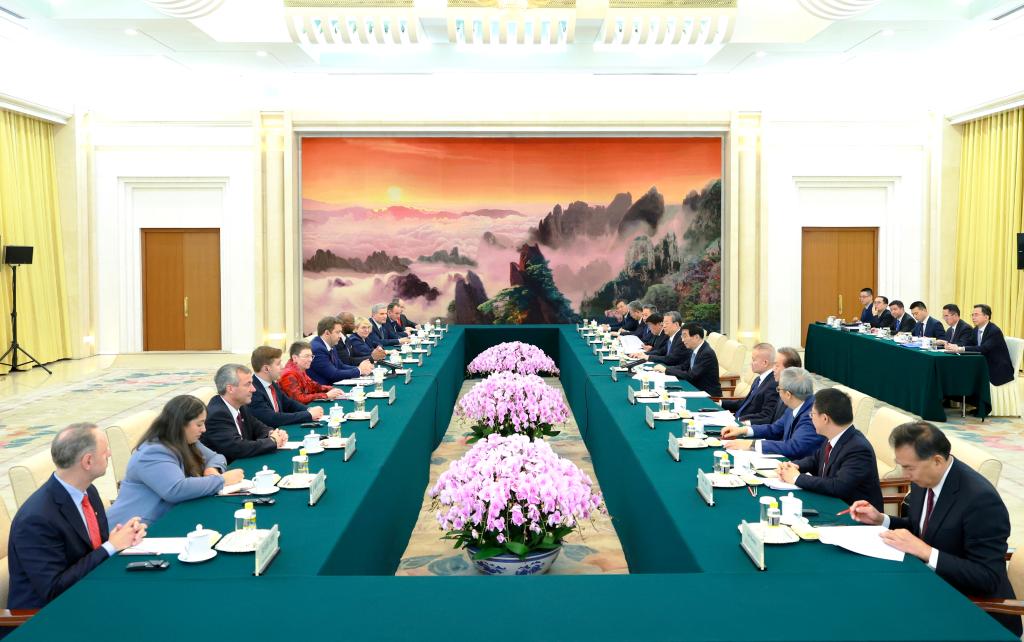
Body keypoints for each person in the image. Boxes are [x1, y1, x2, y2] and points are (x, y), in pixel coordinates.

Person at [847, 422, 1021, 636]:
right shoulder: (924, 478)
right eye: (901, 466)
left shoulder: (981, 500)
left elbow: (987, 577)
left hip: (974, 610)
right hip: (930, 585)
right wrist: (881, 519)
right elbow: (922, 527)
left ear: (937, 461)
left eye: (909, 467)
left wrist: (926, 552)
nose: (905, 474)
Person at [7, 424, 147, 609]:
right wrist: (110, 546)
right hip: (47, 615)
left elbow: (93, 550)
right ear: (87, 461)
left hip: (89, 592)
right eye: (105, 450)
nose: (110, 453)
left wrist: (121, 538)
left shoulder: (88, 491)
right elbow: (54, 590)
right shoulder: (36, 519)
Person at [108, 395, 245, 526]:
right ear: (181, 425)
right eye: (199, 424)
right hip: (133, 527)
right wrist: (221, 480)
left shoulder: (185, 440)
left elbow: (216, 457)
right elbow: (176, 489)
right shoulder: (153, 452)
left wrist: (212, 469)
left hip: (164, 518)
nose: (204, 429)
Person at [776, 388, 882, 510]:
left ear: (825, 419)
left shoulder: (858, 449)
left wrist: (796, 478)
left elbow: (838, 486)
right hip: (829, 503)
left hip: (852, 514)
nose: (811, 418)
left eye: (812, 414)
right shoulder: (834, 436)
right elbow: (815, 460)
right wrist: (793, 466)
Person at [720, 367, 824, 458]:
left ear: (788, 395)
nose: (778, 392)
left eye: (779, 389)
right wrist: (743, 430)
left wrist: (752, 444)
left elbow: (794, 447)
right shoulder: (795, 404)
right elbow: (774, 429)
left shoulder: (812, 415)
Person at [201, 364, 289, 463]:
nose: (253, 389)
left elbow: (258, 427)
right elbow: (238, 448)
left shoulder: (240, 405)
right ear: (230, 389)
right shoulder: (217, 414)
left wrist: (273, 433)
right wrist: (272, 441)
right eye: (248, 384)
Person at [248, 345, 323, 427]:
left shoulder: (272, 384)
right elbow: (272, 418)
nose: (282, 366)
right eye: (278, 364)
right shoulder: (253, 391)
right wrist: (308, 415)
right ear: (266, 369)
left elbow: (288, 403)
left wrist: (309, 409)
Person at [946, 304, 1015, 387]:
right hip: (983, 363)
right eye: (972, 315)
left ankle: (967, 393)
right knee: (959, 368)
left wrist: (961, 349)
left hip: (997, 368)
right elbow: (969, 343)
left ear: (986, 317)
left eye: (976, 315)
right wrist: (955, 346)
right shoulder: (976, 329)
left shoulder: (994, 331)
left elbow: (983, 349)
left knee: (964, 371)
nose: (973, 317)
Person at [655, 322, 722, 396]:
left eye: (685, 336)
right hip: (695, 388)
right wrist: (665, 368)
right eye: (682, 337)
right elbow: (683, 367)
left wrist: (666, 370)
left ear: (696, 337)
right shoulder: (694, 349)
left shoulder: (706, 353)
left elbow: (691, 376)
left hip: (708, 396)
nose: (682, 340)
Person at [720, 343, 780, 425]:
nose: (750, 363)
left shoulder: (773, 384)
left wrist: (740, 420)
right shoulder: (758, 379)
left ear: (765, 363)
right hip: (735, 419)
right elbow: (746, 403)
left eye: (754, 360)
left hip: (745, 425)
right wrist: (721, 403)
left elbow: (766, 416)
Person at [309, 315, 371, 385]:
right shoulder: (317, 349)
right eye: (337, 332)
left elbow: (340, 366)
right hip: (322, 389)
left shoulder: (331, 344)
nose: (340, 336)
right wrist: (359, 371)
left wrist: (361, 368)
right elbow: (333, 374)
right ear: (327, 333)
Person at [279, 340, 345, 405]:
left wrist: (331, 389)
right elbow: (299, 399)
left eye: (311, 356)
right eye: (306, 356)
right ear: (295, 358)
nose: (310, 359)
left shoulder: (300, 369)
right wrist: (326, 395)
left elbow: (313, 386)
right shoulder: (289, 374)